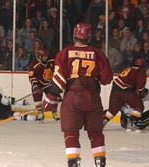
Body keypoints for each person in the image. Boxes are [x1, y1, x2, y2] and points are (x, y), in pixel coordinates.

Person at [42, 23, 113, 167]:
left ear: (74, 35)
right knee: (96, 134)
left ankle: (73, 164)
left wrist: (53, 95)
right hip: (93, 98)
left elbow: (59, 78)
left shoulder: (65, 52)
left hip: (73, 98)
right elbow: (107, 78)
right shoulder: (97, 53)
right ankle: (100, 163)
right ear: (89, 36)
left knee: (71, 133)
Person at [103, 58, 148, 131]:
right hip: (126, 89)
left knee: (112, 110)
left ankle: (102, 122)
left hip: (115, 87)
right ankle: (131, 123)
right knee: (139, 107)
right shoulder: (141, 71)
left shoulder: (129, 68)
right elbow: (140, 87)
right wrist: (142, 91)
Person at [28, 48, 59, 121]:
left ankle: (54, 113)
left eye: (46, 56)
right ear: (39, 57)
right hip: (38, 84)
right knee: (37, 98)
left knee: (53, 97)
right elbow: (32, 76)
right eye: (44, 56)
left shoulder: (51, 62)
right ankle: (40, 113)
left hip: (49, 84)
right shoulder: (34, 65)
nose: (47, 57)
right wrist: (35, 85)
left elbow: (59, 67)